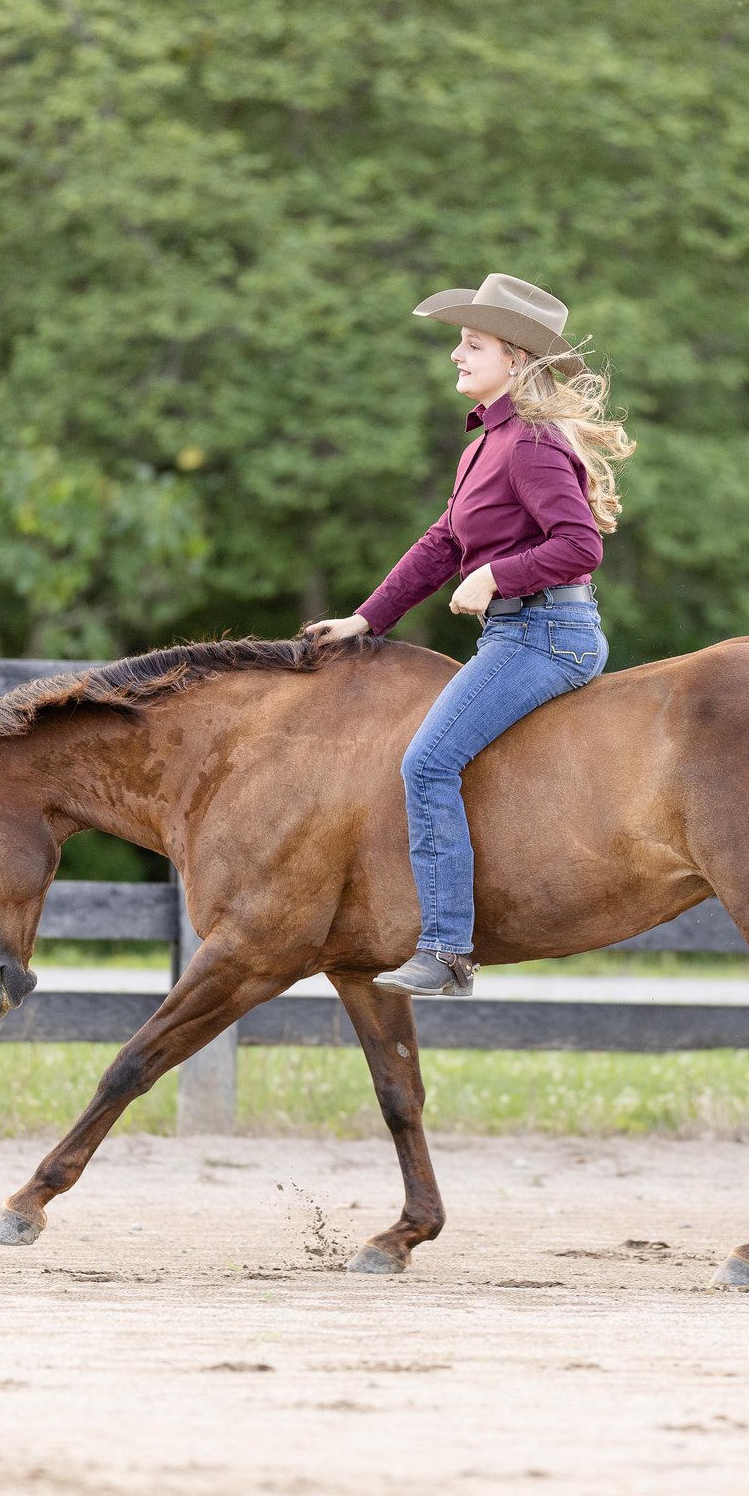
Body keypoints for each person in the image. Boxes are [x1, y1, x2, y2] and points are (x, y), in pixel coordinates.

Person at [304, 274, 635, 997]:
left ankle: (448, 950)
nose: (457, 354)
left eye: (472, 343)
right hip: (519, 632)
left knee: (426, 764)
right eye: (460, 341)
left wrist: (497, 577)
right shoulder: (490, 442)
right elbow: (442, 542)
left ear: (515, 359)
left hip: (547, 634)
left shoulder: (532, 444)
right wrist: (367, 618)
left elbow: (580, 546)